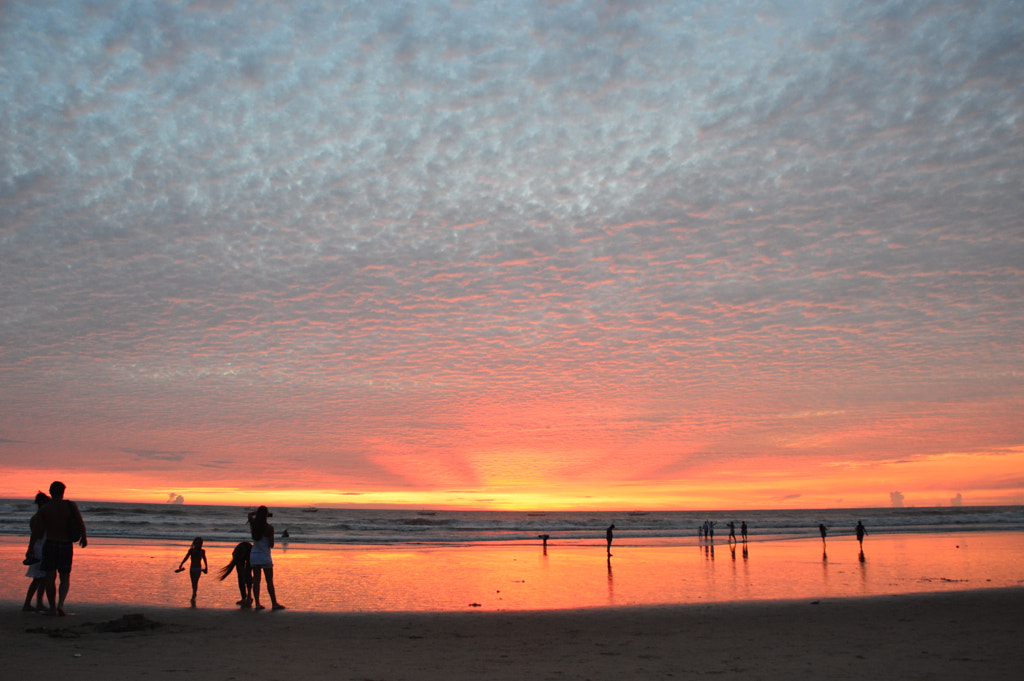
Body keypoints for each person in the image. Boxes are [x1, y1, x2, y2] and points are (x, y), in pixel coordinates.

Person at [28, 481, 87, 616]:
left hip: (50, 544)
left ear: (50, 491)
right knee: (65, 577)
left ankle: (53, 608)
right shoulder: (70, 505)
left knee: (50, 577)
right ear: (63, 492)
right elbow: (80, 522)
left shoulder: (45, 509)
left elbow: (37, 532)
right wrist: (84, 537)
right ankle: (61, 604)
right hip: (66, 544)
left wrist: (30, 548)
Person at [248, 506, 285, 610]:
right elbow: (271, 544)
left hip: (254, 554)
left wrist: (257, 513)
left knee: (256, 580)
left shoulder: (254, 525)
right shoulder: (269, 528)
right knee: (269, 581)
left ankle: (257, 604)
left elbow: (249, 515)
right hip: (264, 556)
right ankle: (274, 603)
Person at [23, 492, 50, 612]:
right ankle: (32, 603)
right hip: (40, 548)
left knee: (40, 578)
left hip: (39, 546)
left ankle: (36, 602)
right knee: (40, 578)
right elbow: (37, 535)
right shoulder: (40, 518)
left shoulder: (36, 517)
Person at [218, 541, 254, 607]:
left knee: (247, 574)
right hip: (241, 554)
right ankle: (243, 598)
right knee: (240, 577)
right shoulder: (235, 554)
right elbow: (240, 573)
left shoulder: (250, 552)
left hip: (251, 555)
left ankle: (249, 596)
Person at [176, 537, 208, 606]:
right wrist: (181, 563)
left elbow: (205, 559)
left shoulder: (202, 551)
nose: (198, 544)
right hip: (192, 569)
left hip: (198, 569)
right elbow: (186, 557)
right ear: (194, 543)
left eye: (200, 543)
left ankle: (194, 594)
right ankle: (194, 592)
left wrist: (206, 567)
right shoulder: (191, 550)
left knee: (195, 582)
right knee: (193, 582)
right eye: (197, 543)